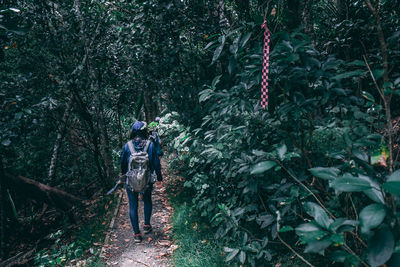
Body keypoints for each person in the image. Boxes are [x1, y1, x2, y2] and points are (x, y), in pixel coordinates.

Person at [120, 121, 163, 243]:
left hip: (131, 181)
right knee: (147, 200)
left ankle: (137, 234)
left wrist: (124, 177)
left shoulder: (128, 146)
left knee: (133, 206)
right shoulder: (150, 145)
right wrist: (159, 178)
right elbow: (156, 164)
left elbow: (123, 164)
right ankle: (147, 225)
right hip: (146, 181)